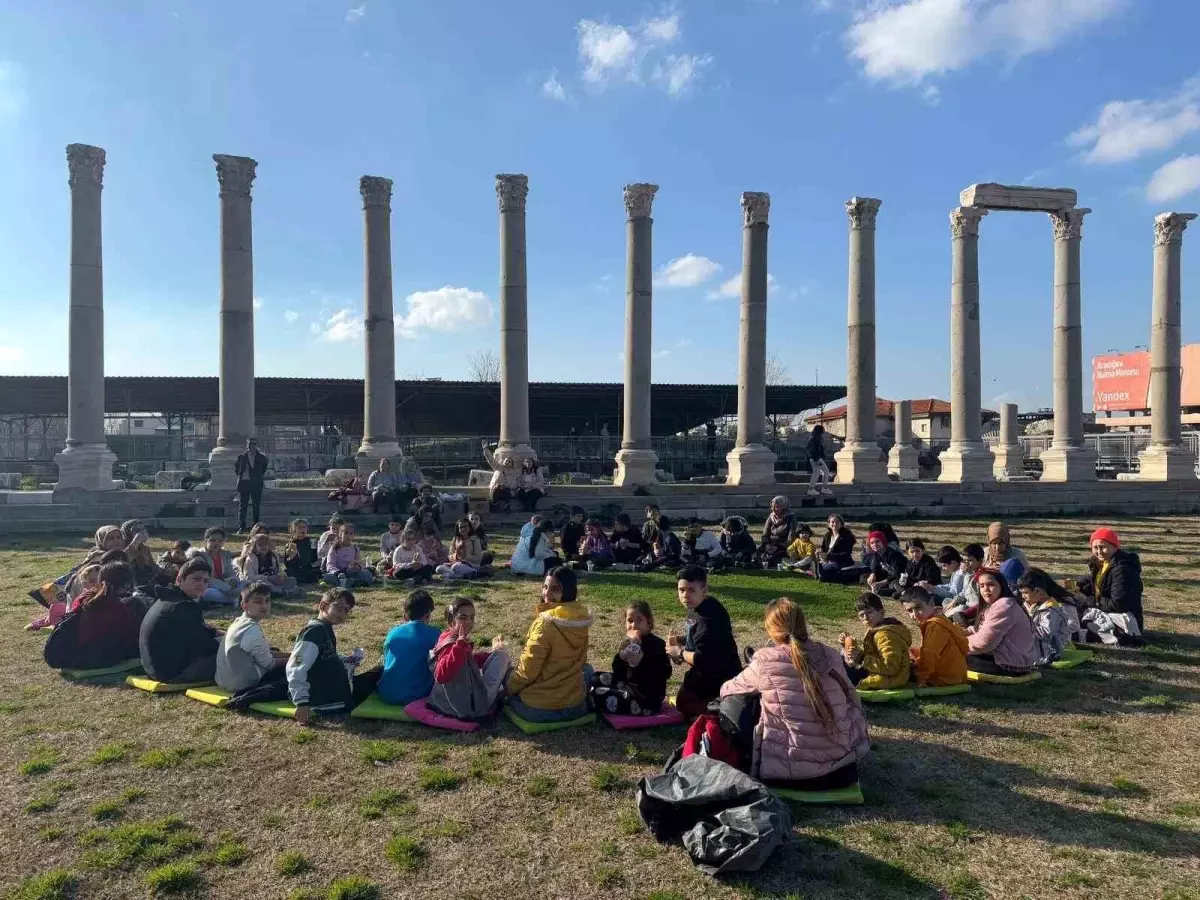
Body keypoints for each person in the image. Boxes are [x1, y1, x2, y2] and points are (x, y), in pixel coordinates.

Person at [720, 597, 869, 789]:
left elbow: (728, 689)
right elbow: (852, 697)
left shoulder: (765, 660)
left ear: (771, 630)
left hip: (784, 772)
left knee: (735, 702)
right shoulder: (830, 655)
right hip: (840, 766)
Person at [505, 567, 593, 723]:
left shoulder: (545, 624)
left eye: (555, 589)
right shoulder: (580, 618)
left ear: (567, 592)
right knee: (587, 670)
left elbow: (528, 669)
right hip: (577, 706)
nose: (547, 594)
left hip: (540, 709)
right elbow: (581, 661)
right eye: (545, 587)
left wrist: (508, 688)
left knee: (506, 675)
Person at [286, 587, 381, 724]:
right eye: (339, 607)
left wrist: (343, 659)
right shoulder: (314, 632)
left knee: (377, 674)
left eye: (347, 610)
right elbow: (295, 667)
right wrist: (301, 702)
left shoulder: (324, 627)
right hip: (323, 698)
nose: (343, 613)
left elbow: (325, 653)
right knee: (379, 673)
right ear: (323, 605)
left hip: (332, 690)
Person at [669, 565, 742, 719]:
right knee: (684, 696)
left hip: (718, 674)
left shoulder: (708, 617)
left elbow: (702, 659)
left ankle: (723, 710)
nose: (685, 595)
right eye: (681, 590)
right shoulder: (699, 605)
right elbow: (697, 637)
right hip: (707, 671)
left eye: (691, 590)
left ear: (704, 590)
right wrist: (679, 640)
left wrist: (679, 653)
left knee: (683, 704)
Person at [42, 562, 146, 670]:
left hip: (72, 652)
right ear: (128, 584)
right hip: (93, 656)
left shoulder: (85, 597)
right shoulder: (122, 604)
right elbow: (135, 635)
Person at [138, 557, 221, 684]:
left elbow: (192, 632)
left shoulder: (169, 598)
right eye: (196, 579)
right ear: (179, 579)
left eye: (205, 581)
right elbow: (202, 647)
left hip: (155, 670)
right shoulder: (183, 606)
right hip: (174, 673)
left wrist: (215, 632)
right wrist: (226, 642)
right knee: (235, 654)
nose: (202, 584)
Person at [429, 596, 512, 720]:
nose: (469, 622)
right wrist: (460, 645)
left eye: (472, 617)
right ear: (451, 621)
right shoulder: (453, 644)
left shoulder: (448, 636)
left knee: (498, 654)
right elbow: (441, 675)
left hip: (453, 701)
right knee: (503, 655)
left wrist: (487, 656)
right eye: (463, 618)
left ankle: (511, 688)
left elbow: (465, 663)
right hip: (465, 706)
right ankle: (514, 690)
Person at [590, 601, 672, 716]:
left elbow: (665, 673)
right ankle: (602, 697)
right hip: (627, 687)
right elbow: (617, 671)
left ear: (649, 622)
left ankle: (603, 699)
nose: (633, 625)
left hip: (647, 697)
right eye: (630, 621)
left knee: (611, 698)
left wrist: (641, 660)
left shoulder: (657, 644)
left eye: (639, 620)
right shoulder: (626, 644)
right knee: (595, 677)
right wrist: (622, 656)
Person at [215, 581, 289, 693]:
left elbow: (266, 653)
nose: (264, 606)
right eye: (258, 602)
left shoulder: (238, 622)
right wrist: (295, 659)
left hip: (223, 680)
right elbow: (269, 664)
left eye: (267, 600)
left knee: (276, 652)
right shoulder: (252, 630)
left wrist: (291, 654)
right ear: (244, 605)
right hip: (243, 685)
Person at [1074, 527, 1144, 646]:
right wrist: (1083, 585)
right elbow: (1102, 585)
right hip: (1107, 610)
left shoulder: (1123, 569)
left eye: (1103, 547)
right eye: (1095, 547)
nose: (1099, 551)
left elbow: (1118, 603)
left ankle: (1121, 636)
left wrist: (1093, 601)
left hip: (1125, 618)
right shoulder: (1100, 563)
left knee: (1078, 625)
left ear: (1115, 546)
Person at [966, 568, 1039, 675]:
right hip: (1012, 659)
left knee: (949, 654)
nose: (985, 589)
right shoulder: (999, 604)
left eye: (990, 584)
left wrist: (959, 641)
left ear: (1001, 585)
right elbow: (984, 632)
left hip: (1010, 665)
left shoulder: (1004, 605)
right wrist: (963, 632)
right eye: (981, 586)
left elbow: (985, 643)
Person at [376, 590, 442, 706]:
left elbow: (386, 658)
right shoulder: (435, 634)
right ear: (427, 614)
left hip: (387, 693)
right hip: (418, 695)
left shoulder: (393, 632)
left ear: (406, 614)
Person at [839, 591, 912, 689]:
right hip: (880, 673)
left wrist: (861, 658)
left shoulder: (885, 635)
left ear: (881, 613)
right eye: (862, 615)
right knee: (839, 660)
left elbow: (890, 667)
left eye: (869, 612)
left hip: (890, 679)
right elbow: (874, 656)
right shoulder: (877, 630)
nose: (866, 618)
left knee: (838, 669)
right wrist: (847, 647)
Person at [901, 586, 969, 687]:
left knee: (900, 670)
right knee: (911, 654)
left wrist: (921, 678)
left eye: (918, 607)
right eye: (910, 611)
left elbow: (930, 655)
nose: (914, 614)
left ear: (931, 603)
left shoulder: (935, 626)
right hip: (956, 675)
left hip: (945, 679)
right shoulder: (940, 618)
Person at [1016, 568, 1077, 666]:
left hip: (1051, 650)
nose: (1023, 596)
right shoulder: (1037, 604)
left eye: (1025, 593)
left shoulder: (1050, 610)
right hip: (1039, 645)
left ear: (1038, 591)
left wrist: (1024, 628)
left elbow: (1046, 632)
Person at [187, 526, 241, 606]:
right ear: (206, 540)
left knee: (246, 583)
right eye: (213, 540)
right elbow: (206, 579)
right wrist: (227, 588)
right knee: (206, 593)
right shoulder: (200, 556)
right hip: (207, 586)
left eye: (220, 541)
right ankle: (238, 598)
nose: (217, 543)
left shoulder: (224, 554)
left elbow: (230, 573)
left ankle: (236, 598)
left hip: (225, 584)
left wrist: (233, 581)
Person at [236, 532, 298, 598]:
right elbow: (249, 577)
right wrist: (268, 578)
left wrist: (281, 576)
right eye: (260, 545)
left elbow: (277, 569)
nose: (264, 547)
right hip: (258, 582)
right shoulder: (249, 559)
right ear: (254, 547)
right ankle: (282, 592)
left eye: (266, 544)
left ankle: (281, 591)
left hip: (273, 581)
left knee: (292, 580)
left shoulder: (273, 556)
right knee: (260, 586)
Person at [940, 543, 985, 626]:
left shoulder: (984, 576)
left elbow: (979, 599)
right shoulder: (968, 575)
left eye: (970, 560)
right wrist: (954, 602)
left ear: (980, 560)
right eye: (965, 561)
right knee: (947, 601)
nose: (967, 564)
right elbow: (964, 592)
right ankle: (950, 615)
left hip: (975, 609)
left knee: (962, 608)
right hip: (966, 603)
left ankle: (949, 617)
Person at [322, 521, 375, 588]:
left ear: (353, 536)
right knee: (327, 577)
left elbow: (361, 564)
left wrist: (356, 566)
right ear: (340, 534)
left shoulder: (355, 549)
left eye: (351, 533)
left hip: (352, 573)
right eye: (346, 533)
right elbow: (330, 565)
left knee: (367, 573)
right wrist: (338, 573)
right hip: (339, 574)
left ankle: (351, 582)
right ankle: (348, 582)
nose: (348, 536)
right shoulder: (334, 548)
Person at [235, 437, 269, 533]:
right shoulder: (241, 457)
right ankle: (242, 527)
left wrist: (256, 477)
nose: (252, 446)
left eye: (254, 444)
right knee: (243, 506)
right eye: (250, 444)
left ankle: (256, 527)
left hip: (256, 484)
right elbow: (237, 470)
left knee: (256, 506)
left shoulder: (262, 458)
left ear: (256, 445)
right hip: (244, 483)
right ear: (247, 445)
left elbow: (263, 469)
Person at [816, 514, 862, 584]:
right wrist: (820, 553)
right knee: (819, 565)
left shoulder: (846, 536)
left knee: (822, 568)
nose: (834, 524)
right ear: (829, 524)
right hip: (828, 561)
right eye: (832, 522)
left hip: (842, 563)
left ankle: (820, 573)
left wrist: (830, 556)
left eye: (837, 522)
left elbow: (846, 554)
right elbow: (823, 549)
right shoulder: (827, 535)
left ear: (841, 524)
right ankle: (821, 573)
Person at [864, 531, 908, 597]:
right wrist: (873, 574)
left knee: (894, 584)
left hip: (902, 577)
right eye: (872, 543)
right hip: (889, 576)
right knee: (865, 577)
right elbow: (874, 566)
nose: (875, 544)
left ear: (883, 542)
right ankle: (886, 590)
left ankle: (898, 591)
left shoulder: (893, 555)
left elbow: (898, 572)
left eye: (877, 541)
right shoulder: (876, 554)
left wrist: (883, 582)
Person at [758, 496, 795, 568]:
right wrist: (767, 544)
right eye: (774, 507)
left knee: (775, 558)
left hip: (782, 546)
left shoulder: (791, 519)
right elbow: (765, 534)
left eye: (778, 507)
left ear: (784, 507)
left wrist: (777, 547)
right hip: (770, 544)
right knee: (758, 553)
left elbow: (791, 539)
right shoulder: (771, 517)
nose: (775, 509)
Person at [481, 442, 520, 509]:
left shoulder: (514, 473)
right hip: (496, 489)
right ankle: (495, 505)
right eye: (506, 460)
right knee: (495, 490)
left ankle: (507, 506)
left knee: (506, 491)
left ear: (512, 464)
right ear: (503, 461)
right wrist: (486, 449)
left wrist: (506, 486)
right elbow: (490, 460)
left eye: (510, 461)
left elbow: (515, 484)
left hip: (507, 491)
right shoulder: (497, 467)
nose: (508, 462)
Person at [282, 519, 321, 585]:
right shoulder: (291, 544)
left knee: (316, 573)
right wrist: (292, 555)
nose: (302, 529)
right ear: (294, 530)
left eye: (304, 527)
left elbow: (314, 559)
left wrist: (315, 548)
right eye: (299, 528)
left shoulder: (311, 541)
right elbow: (288, 564)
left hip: (308, 569)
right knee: (288, 572)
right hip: (296, 569)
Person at [807, 425, 834, 496]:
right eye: (823, 430)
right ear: (820, 431)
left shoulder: (813, 438)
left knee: (816, 473)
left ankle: (811, 489)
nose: (824, 431)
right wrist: (818, 459)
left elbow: (812, 449)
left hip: (813, 458)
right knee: (826, 471)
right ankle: (824, 488)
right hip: (816, 458)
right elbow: (814, 450)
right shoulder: (816, 438)